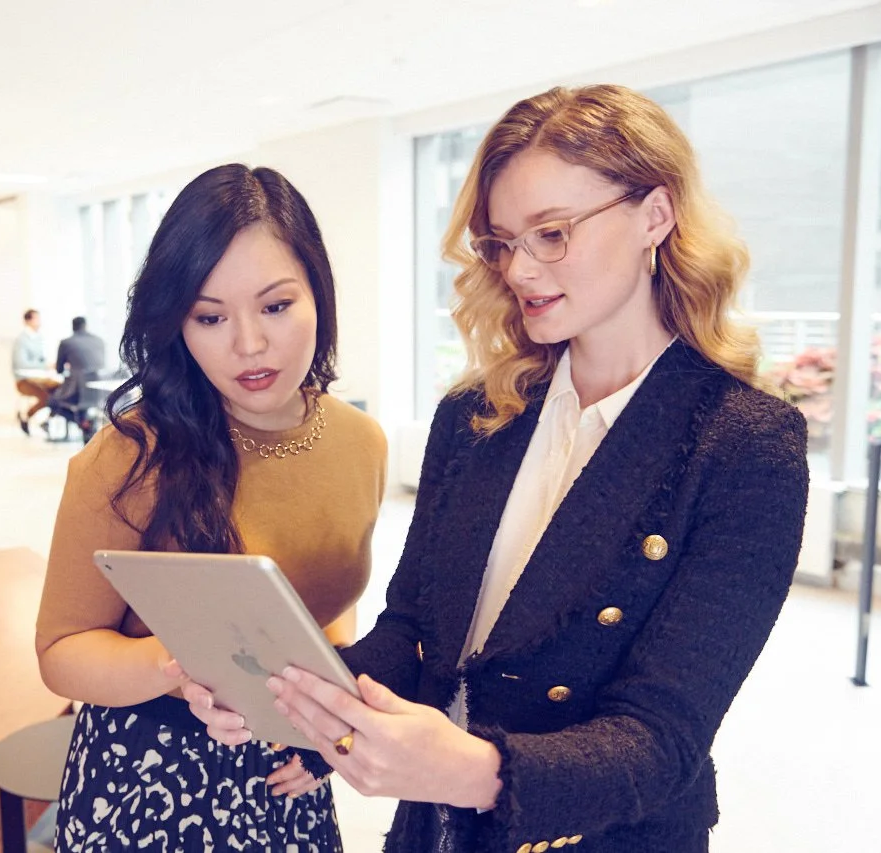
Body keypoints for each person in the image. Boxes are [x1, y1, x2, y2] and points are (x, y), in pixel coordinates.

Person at [184, 85, 809, 852]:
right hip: (435, 826)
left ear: (656, 213)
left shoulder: (745, 444)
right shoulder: (478, 415)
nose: (520, 269)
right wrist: (297, 696)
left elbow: (662, 737)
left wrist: (477, 772)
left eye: (551, 233)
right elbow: (413, 629)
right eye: (502, 242)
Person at [35, 163, 388, 851]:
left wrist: (328, 724)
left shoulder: (360, 442)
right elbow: (59, 652)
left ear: (319, 293)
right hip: (148, 782)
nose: (249, 344)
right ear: (178, 324)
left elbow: (325, 604)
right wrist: (175, 665)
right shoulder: (129, 455)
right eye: (209, 316)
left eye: (276, 306)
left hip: (288, 777)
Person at [47, 316, 107, 439]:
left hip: (77, 388)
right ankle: (85, 423)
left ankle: (84, 424)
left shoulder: (66, 343)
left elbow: (59, 369)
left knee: (52, 402)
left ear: (73, 327)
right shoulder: (99, 340)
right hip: (99, 388)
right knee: (80, 402)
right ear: (85, 326)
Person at [13, 308, 61, 435]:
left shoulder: (39, 338)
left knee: (61, 390)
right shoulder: (21, 340)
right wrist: (44, 365)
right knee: (46, 397)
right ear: (28, 321)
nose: (39, 322)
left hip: (40, 377)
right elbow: (21, 363)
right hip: (24, 379)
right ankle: (25, 417)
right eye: (36, 319)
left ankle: (47, 420)